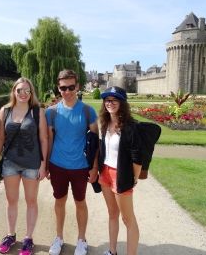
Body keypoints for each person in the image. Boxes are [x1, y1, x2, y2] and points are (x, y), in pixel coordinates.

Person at [45, 69, 99, 255]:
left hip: (80, 165)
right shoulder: (51, 112)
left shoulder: (87, 111)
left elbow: (95, 142)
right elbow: (49, 140)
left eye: (70, 87)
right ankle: (58, 237)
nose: (67, 91)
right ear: (58, 88)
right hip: (57, 164)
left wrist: (94, 167)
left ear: (77, 86)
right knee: (59, 202)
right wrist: (46, 166)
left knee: (80, 202)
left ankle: (81, 240)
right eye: (63, 88)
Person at [0, 77, 48, 255]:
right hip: (10, 162)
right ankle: (10, 235)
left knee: (31, 201)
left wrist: (43, 165)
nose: (23, 94)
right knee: (11, 201)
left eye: (27, 90)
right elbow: (1, 138)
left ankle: (28, 238)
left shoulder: (37, 112)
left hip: (32, 164)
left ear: (31, 92)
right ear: (14, 92)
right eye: (20, 90)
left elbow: (43, 139)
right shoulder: (5, 111)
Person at [98, 86, 142, 255]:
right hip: (105, 174)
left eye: (115, 99)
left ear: (122, 102)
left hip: (121, 175)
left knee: (128, 219)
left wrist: (134, 178)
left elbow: (137, 158)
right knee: (112, 214)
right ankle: (112, 251)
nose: (110, 103)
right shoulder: (104, 122)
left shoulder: (130, 126)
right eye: (107, 100)